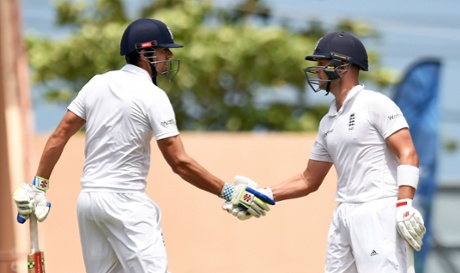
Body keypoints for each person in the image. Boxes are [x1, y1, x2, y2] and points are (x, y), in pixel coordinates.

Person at [13, 18, 274, 273]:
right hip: (125, 203)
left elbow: (59, 135)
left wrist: (39, 186)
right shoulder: (153, 95)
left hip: (89, 203)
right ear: (145, 52)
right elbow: (180, 163)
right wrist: (229, 192)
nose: (169, 56)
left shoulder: (97, 83)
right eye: (164, 50)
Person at [224, 32, 426, 272]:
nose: (317, 70)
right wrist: (264, 193)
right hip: (343, 213)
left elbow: (408, 153)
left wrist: (403, 205)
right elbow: (309, 179)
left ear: (342, 66)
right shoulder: (328, 121)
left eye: (321, 64)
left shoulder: (375, 104)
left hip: (377, 210)